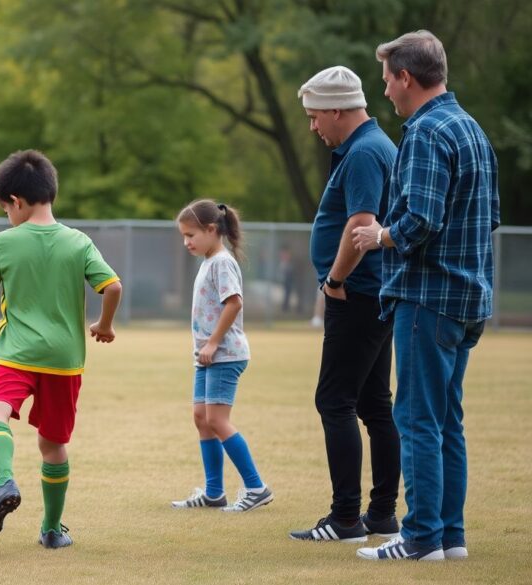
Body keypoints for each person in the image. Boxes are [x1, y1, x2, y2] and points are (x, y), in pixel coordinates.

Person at [351, 30, 500, 561]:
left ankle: (419, 540)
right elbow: (492, 217)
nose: (386, 91)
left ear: (406, 78)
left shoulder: (425, 132)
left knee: (416, 419)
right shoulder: (471, 129)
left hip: (427, 298)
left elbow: (420, 220)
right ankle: (448, 537)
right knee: (446, 423)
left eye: (387, 80)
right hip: (468, 300)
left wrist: (379, 235)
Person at [0, 149, 123, 549]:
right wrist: (104, 325)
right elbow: (112, 286)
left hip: (16, 353)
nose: (6, 217)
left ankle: (3, 482)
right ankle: (51, 530)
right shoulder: (79, 242)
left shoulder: (7, 241)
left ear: (17, 201)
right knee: (53, 444)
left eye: (5, 209)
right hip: (64, 360)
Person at [288, 66, 402, 544]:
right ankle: (381, 515)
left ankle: (346, 518)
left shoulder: (362, 152)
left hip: (356, 293)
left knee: (334, 400)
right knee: (375, 404)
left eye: (315, 116)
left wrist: (335, 279)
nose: (313, 126)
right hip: (374, 292)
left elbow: (361, 224)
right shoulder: (373, 146)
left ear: (337, 109)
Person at [169, 200, 273, 513]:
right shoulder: (208, 261)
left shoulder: (222, 262)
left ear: (212, 230)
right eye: (184, 236)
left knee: (216, 419)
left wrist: (213, 343)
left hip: (225, 354)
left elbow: (234, 303)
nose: (187, 242)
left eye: (191, 235)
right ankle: (214, 492)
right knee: (202, 419)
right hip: (208, 356)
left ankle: (257, 487)